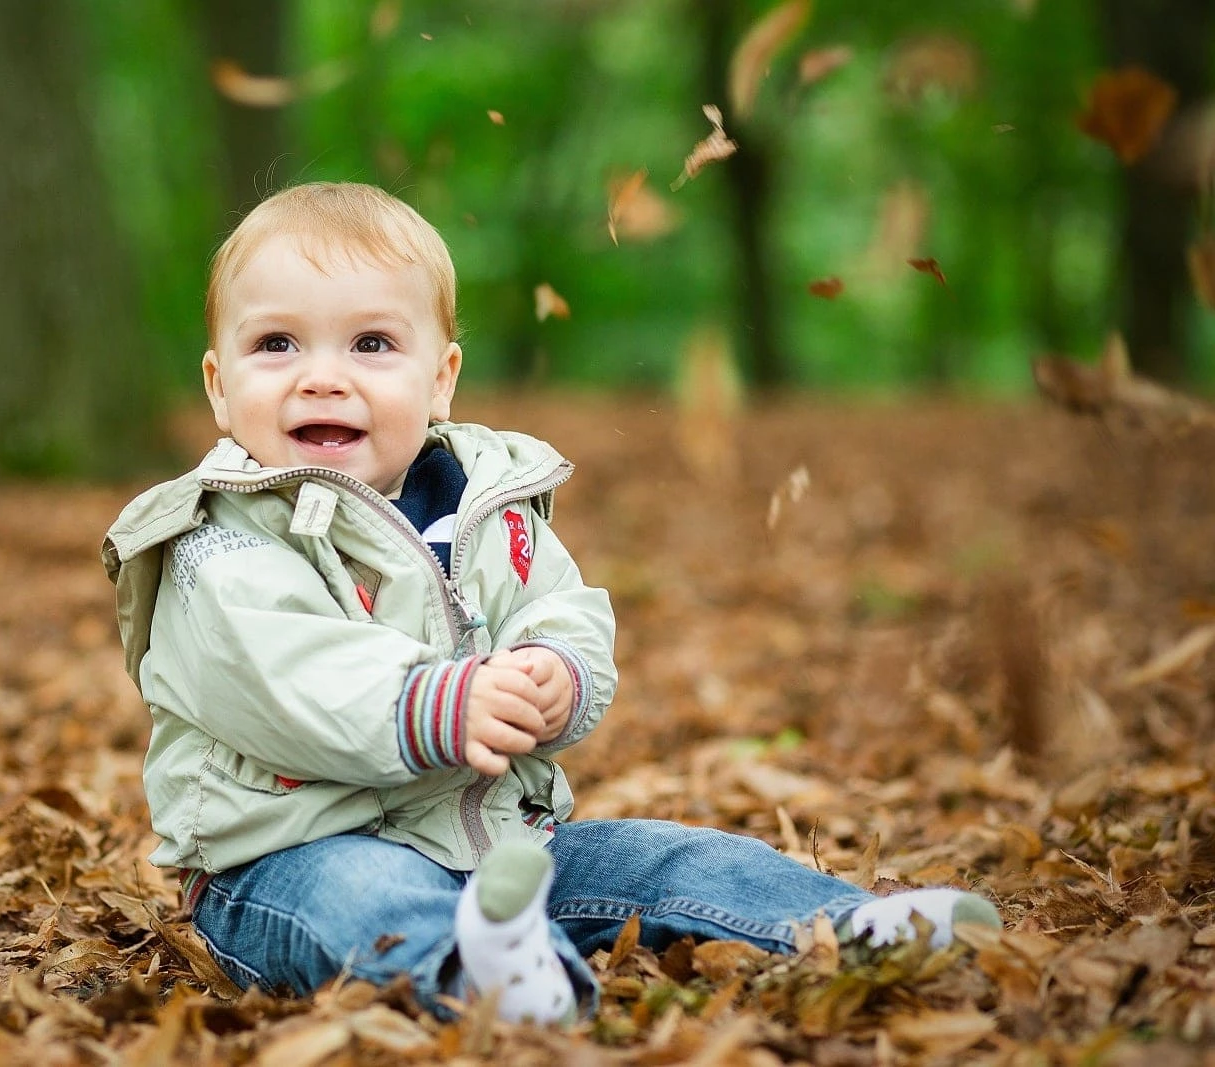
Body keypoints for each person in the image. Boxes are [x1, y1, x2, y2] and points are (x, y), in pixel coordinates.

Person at [101, 181, 998, 1023]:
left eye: (371, 344)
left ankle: (843, 926)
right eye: (277, 344)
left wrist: (556, 672)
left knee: (665, 856)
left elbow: (561, 605)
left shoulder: (485, 502)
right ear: (220, 387)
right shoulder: (215, 537)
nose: (322, 376)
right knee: (363, 902)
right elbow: (283, 676)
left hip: (496, 842)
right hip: (285, 856)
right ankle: (493, 977)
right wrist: (439, 704)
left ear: (441, 376)